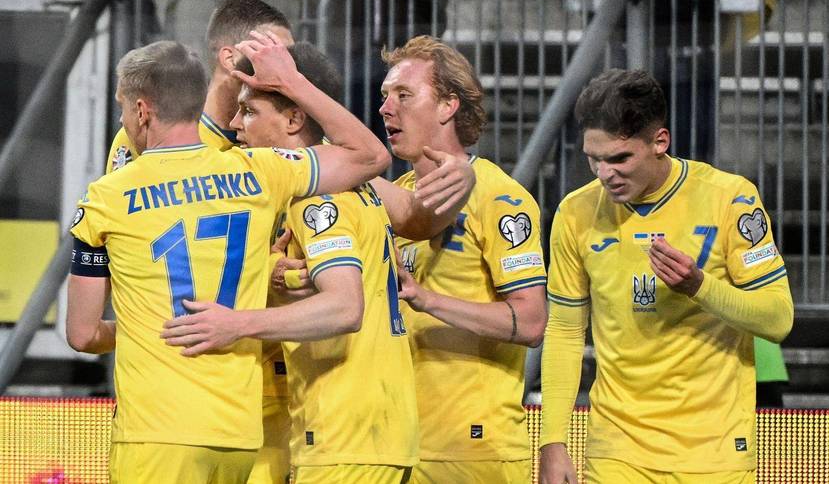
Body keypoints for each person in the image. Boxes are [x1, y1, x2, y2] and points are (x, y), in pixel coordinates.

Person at [65, 34, 392, 483]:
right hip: (238, 437)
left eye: (123, 109)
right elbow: (371, 155)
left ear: (142, 111)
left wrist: (148, 325)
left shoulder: (106, 198)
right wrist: (293, 83)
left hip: (155, 433)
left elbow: (82, 334)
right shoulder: (261, 171)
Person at [160, 41, 418, 484]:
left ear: (295, 119)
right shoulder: (356, 188)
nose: (235, 124)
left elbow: (345, 307)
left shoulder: (317, 198)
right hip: (374, 431)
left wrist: (235, 324)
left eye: (249, 111)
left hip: (344, 435)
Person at [539, 69, 794, 484]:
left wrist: (700, 287)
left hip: (714, 454)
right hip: (617, 452)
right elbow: (565, 331)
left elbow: (778, 319)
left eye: (619, 158)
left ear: (660, 142)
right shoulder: (575, 213)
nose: (604, 174)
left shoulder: (730, 199)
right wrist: (552, 440)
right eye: (594, 158)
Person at [380, 35, 548, 483]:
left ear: (447, 106)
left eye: (404, 95)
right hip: (398, 445)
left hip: (474, 450)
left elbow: (531, 322)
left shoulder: (501, 198)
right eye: (385, 95)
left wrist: (427, 299)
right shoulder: (398, 200)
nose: (386, 108)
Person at [105, 0, 294, 173]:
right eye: (272, 56)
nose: (290, 68)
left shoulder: (287, 135)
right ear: (230, 59)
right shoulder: (148, 130)